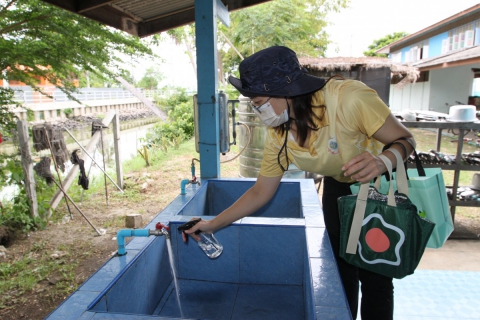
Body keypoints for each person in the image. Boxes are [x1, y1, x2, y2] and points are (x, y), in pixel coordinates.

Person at [184, 46, 416, 320]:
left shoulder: (348, 99)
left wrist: (382, 160)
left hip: (377, 187)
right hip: (340, 187)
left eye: (259, 102)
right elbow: (260, 192)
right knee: (341, 270)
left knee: (375, 275)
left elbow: (406, 140)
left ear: (285, 90)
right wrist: (212, 224)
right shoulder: (279, 133)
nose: (259, 111)